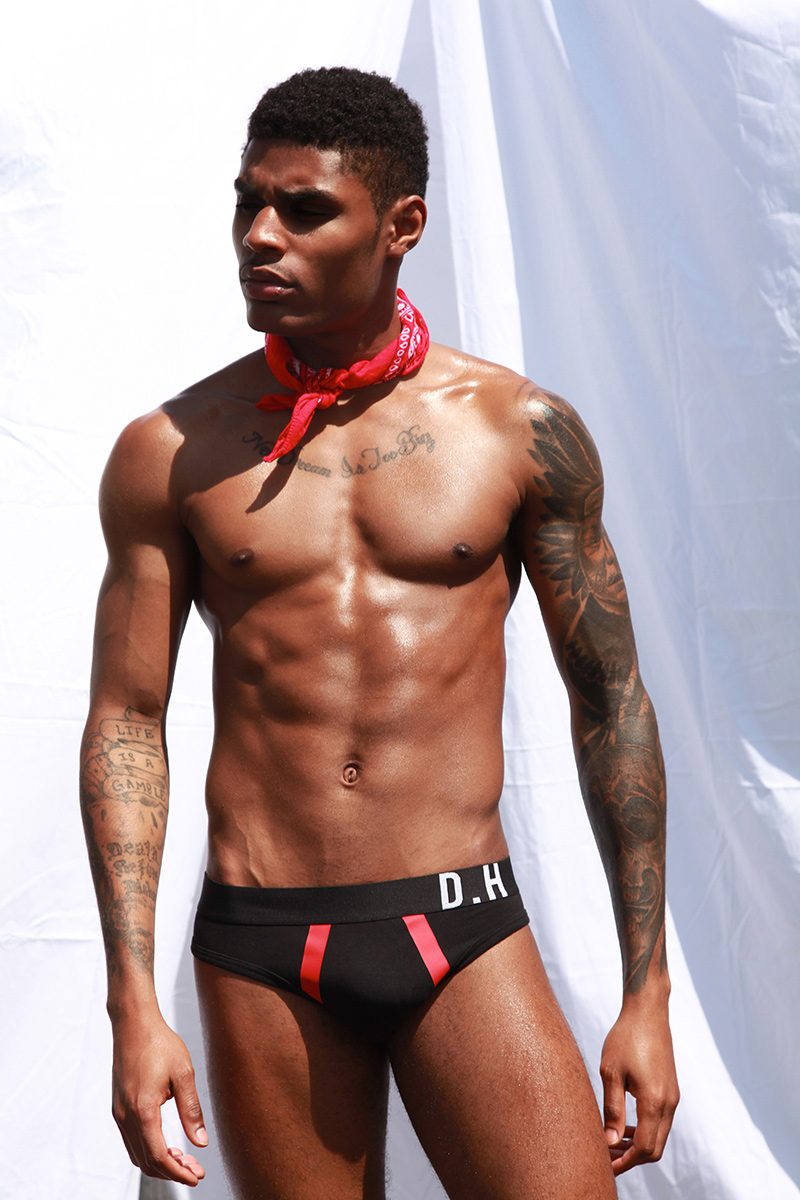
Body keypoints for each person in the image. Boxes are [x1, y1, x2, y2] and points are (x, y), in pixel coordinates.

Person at [80, 66, 679, 1199]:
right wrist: (132, 1002)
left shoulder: (518, 432)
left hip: (460, 927)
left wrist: (647, 994)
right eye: (248, 203)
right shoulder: (171, 449)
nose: (260, 236)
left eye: (303, 209)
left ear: (402, 224)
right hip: (262, 943)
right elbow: (127, 721)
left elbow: (611, 703)